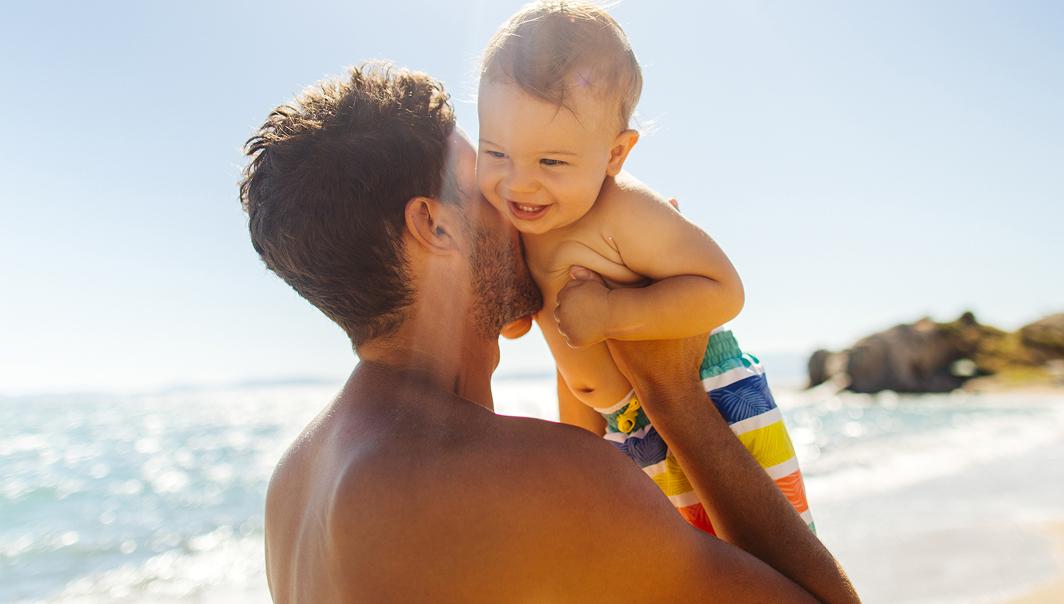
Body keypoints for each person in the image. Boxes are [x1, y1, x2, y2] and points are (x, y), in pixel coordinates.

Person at [241, 63, 857, 602]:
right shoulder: (531, 483)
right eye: (487, 177)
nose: (522, 201)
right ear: (436, 226)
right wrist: (673, 394)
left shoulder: (293, 486)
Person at [476, 1, 813, 535]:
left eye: (552, 162)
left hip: (712, 401)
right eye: (495, 153)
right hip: (620, 429)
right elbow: (526, 325)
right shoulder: (518, 218)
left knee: (765, 562)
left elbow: (722, 290)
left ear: (614, 154)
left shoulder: (623, 211)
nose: (518, 183)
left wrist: (614, 310)